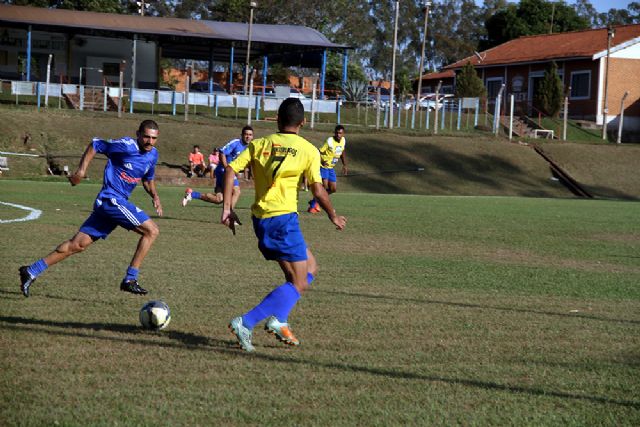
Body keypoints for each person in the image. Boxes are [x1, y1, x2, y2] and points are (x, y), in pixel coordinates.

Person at [222, 98, 347, 352]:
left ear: (277, 119)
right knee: (300, 282)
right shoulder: (308, 149)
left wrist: (227, 208)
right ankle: (246, 322)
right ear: (303, 122)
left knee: (310, 267)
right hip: (283, 220)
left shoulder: (260, 144)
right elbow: (318, 190)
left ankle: (279, 319)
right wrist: (333, 215)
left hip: (263, 219)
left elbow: (230, 170)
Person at [18, 120, 163, 297]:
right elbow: (96, 144)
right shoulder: (126, 146)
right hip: (111, 200)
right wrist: (81, 171)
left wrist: (154, 195)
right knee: (152, 231)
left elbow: (148, 180)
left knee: (77, 245)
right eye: (146, 136)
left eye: (153, 138)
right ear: (138, 134)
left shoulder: (152, 155)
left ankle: (31, 270)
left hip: (113, 205)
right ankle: (130, 279)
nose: (149, 141)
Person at [181, 126, 253, 211]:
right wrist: (227, 168)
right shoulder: (236, 143)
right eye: (246, 134)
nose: (248, 136)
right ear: (242, 135)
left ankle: (192, 194)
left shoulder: (250, 147)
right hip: (223, 170)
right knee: (236, 191)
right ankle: (229, 215)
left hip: (225, 172)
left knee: (219, 199)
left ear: (252, 136)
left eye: (250, 135)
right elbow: (222, 152)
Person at [308, 124, 348, 213]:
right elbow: (319, 151)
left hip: (331, 168)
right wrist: (322, 161)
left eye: (340, 133)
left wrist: (344, 165)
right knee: (324, 187)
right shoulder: (330, 141)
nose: (338, 135)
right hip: (324, 167)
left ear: (343, 134)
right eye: (337, 133)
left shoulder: (343, 141)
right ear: (334, 133)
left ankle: (315, 201)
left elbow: (342, 152)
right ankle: (314, 206)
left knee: (333, 189)